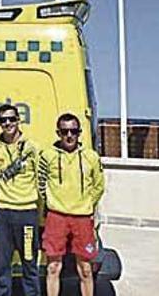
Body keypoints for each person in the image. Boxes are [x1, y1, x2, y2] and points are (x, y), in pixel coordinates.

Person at [39, 113, 105, 296]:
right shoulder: (47, 156)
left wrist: (86, 204)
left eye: (74, 131)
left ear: (79, 133)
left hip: (83, 218)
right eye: (64, 131)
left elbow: (99, 185)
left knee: (85, 268)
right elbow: (41, 184)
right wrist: (53, 202)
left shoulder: (91, 157)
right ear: (58, 132)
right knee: (53, 267)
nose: (69, 135)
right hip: (56, 217)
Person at [0, 104, 41, 296]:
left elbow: (41, 178)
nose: (7, 123)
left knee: (29, 264)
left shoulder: (32, 147)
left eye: (11, 119)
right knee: (1, 265)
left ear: (18, 120)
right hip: (3, 214)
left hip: (27, 215)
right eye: (3, 120)